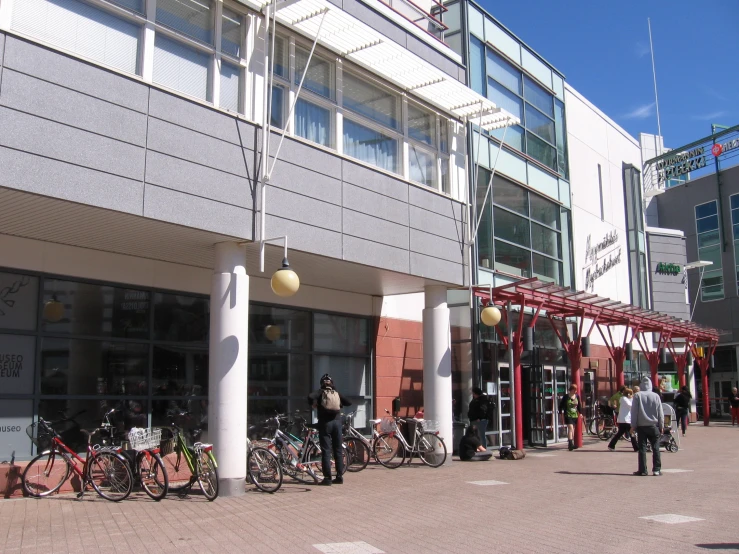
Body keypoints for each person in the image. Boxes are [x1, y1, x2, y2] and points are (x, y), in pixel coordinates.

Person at [308, 374, 352, 485]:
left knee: (326, 451)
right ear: (332, 383)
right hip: (337, 423)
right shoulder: (336, 393)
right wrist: (338, 402)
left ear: (321, 383)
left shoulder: (320, 392)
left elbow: (309, 397)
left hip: (325, 424)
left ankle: (327, 478)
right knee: (338, 450)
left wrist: (314, 403)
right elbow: (349, 402)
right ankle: (339, 476)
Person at [630, 376, 664, 477]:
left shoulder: (637, 396)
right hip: (653, 425)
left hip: (641, 426)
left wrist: (633, 425)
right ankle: (656, 470)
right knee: (656, 448)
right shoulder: (656, 396)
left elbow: (634, 412)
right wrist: (661, 425)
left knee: (642, 449)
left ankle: (643, 470)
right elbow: (660, 412)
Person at [607, 388, 638, 452]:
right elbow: (631, 406)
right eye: (631, 394)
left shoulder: (626, 399)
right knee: (631, 433)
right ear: (628, 394)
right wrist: (632, 399)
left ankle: (611, 445)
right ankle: (636, 448)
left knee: (620, 434)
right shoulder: (624, 399)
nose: (632, 395)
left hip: (625, 419)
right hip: (625, 420)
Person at [558, 385, 581, 451]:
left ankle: (571, 443)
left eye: (576, 390)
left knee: (572, 429)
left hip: (575, 415)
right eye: (574, 390)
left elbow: (579, 405)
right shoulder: (566, 396)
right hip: (568, 414)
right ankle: (570, 444)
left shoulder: (577, 396)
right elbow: (561, 405)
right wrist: (560, 412)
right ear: (571, 390)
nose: (575, 391)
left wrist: (580, 413)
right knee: (570, 428)